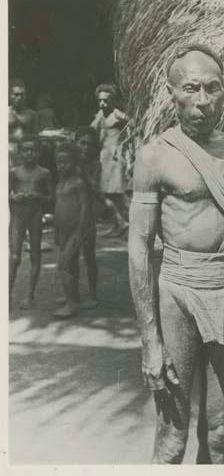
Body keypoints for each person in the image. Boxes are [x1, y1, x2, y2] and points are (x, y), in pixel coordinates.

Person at [128, 45, 224, 464]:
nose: (203, 101)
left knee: (219, 434)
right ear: (171, 92)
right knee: (172, 439)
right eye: (191, 88)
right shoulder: (154, 156)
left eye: (213, 88)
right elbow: (139, 248)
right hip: (177, 296)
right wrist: (150, 343)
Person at [9, 135, 53, 310]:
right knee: (14, 256)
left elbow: (51, 198)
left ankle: (30, 296)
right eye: (26, 150)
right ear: (20, 153)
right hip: (17, 216)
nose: (29, 153)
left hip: (35, 216)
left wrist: (38, 196)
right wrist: (13, 197)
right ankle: (8, 293)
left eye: (33, 150)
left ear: (39, 153)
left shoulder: (44, 173)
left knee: (35, 254)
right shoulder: (13, 172)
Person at [53, 141, 90, 319]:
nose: (61, 166)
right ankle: (73, 297)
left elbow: (84, 208)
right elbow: (57, 207)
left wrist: (80, 232)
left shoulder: (78, 183)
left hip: (75, 230)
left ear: (74, 162)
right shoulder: (60, 183)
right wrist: (55, 231)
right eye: (58, 162)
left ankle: (71, 305)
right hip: (62, 231)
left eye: (65, 162)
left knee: (64, 266)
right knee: (72, 265)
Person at [91, 83, 129, 237]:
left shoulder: (117, 114)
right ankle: (118, 225)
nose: (103, 103)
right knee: (106, 191)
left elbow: (134, 126)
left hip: (114, 155)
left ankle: (123, 223)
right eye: (100, 100)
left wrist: (124, 144)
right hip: (103, 155)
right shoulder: (100, 115)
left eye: (106, 100)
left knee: (114, 193)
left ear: (112, 100)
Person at [74, 126, 101, 308]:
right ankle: (72, 293)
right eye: (81, 143)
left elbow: (94, 186)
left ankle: (92, 294)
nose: (85, 147)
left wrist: (82, 169)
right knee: (70, 257)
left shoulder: (95, 165)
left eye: (89, 144)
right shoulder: (67, 162)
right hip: (70, 215)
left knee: (89, 255)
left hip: (88, 216)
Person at [9, 79, 38, 168]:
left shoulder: (32, 114)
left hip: (27, 152)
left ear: (26, 96)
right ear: (10, 95)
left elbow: (36, 136)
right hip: (8, 150)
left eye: (22, 95)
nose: (19, 98)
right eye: (16, 94)